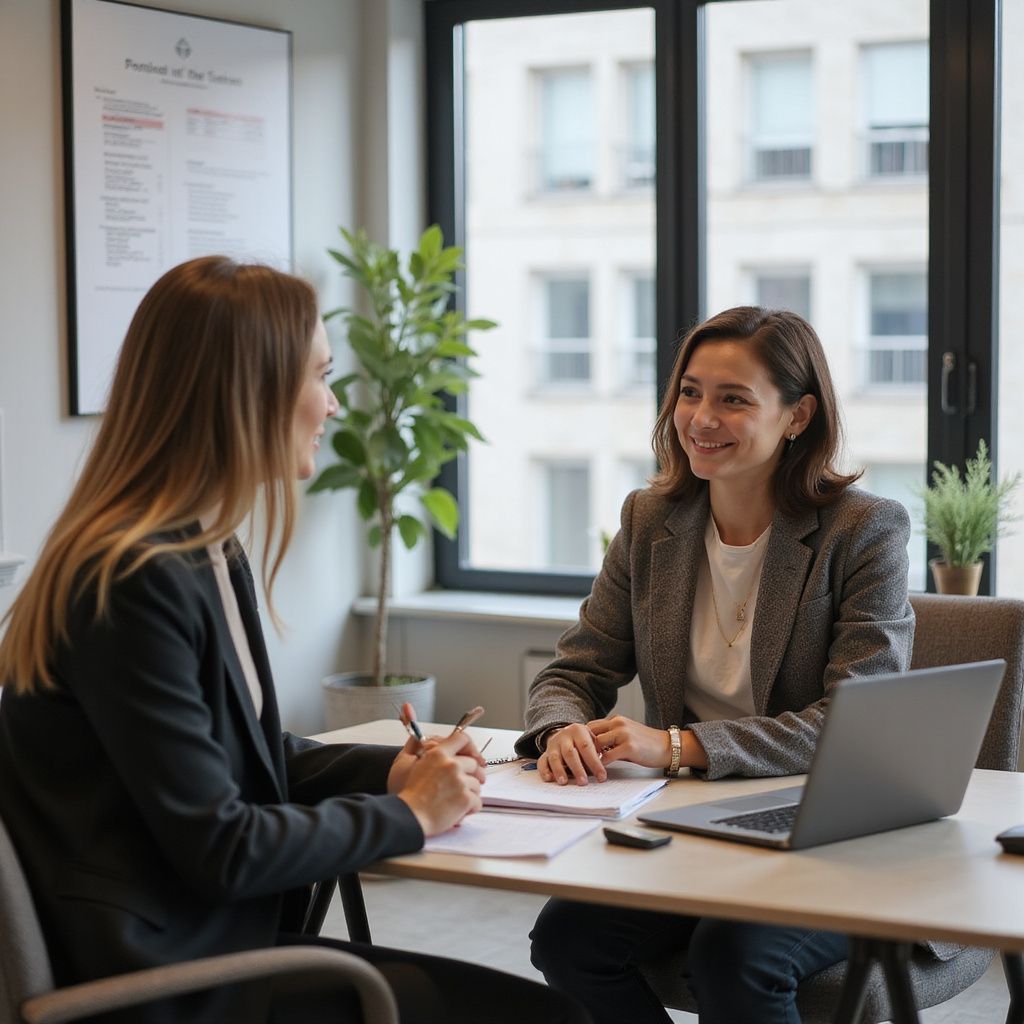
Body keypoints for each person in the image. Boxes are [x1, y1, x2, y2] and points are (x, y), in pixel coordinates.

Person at [0, 256, 589, 1024]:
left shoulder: (206, 551)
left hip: (218, 943)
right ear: (250, 395)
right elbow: (224, 846)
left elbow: (246, 761)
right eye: (320, 376)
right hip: (172, 978)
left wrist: (395, 773)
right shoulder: (131, 582)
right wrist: (411, 815)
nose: (335, 405)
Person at [516, 306, 916, 1024]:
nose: (700, 417)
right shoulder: (648, 520)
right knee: (567, 942)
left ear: (798, 416)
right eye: (690, 392)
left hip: (826, 829)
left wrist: (674, 746)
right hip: (692, 825)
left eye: (733, 398)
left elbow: (859, 724)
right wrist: (561, 731)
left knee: (735, 958)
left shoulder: (864, 530)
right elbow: (573, 672)